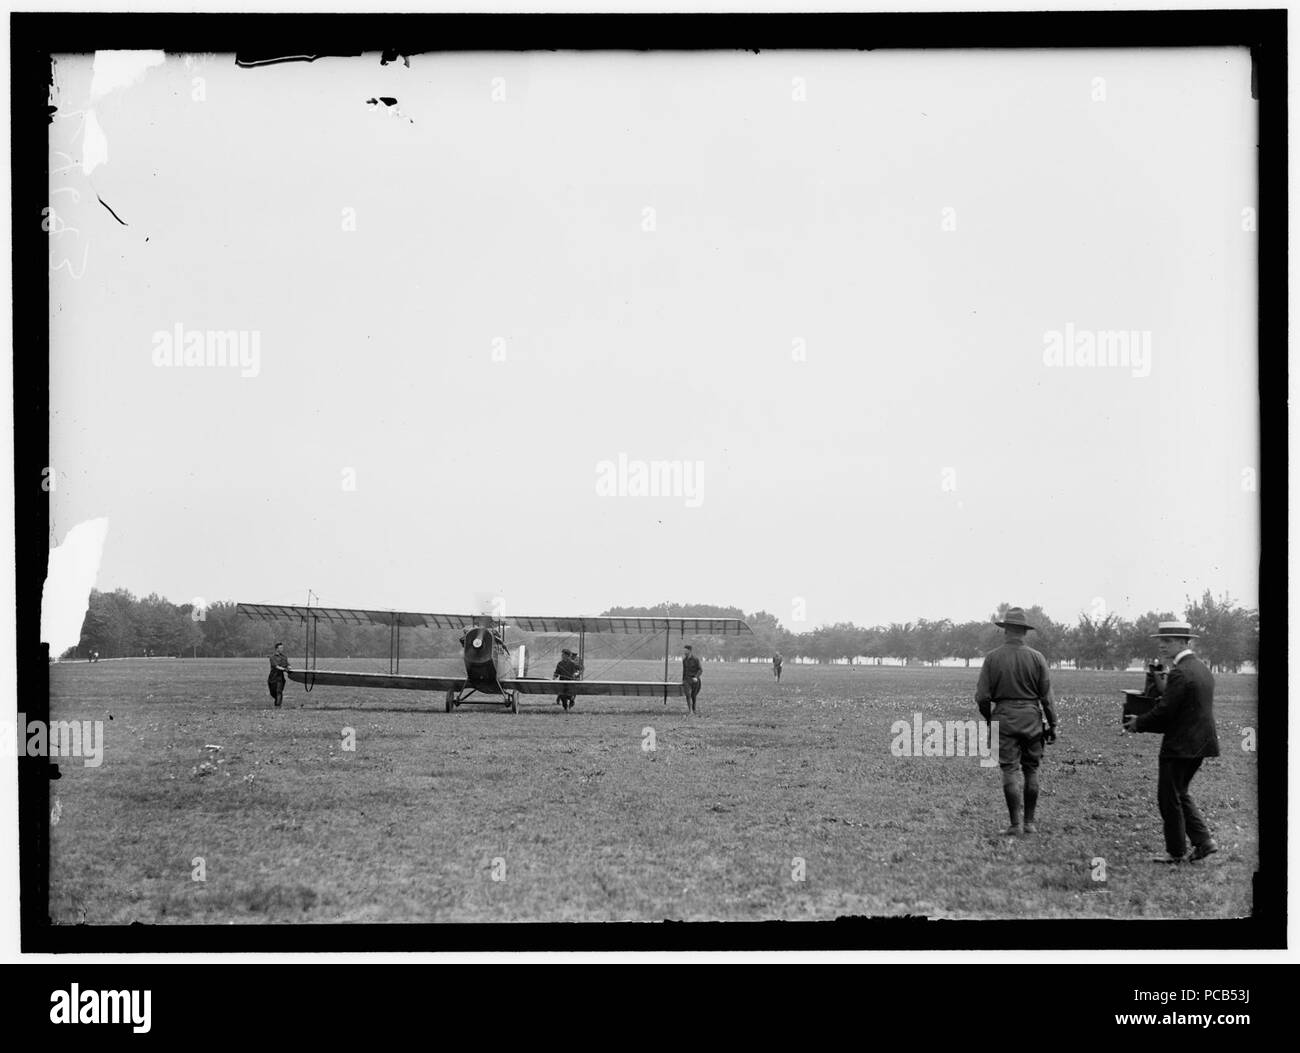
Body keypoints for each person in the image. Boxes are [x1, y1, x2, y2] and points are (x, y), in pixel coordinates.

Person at [1123, 621, 1220, 863]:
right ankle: (1204, 841)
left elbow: (1165, 712)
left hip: (1180, 745)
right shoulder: (1201, 668)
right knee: (1180, 792)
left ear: (1182, 642)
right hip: (1201, 743)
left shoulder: (1179, 672)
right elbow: (1184, 706)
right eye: (1160, 640)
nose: (1161, 645)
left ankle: (1175, 852)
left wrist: (1139, 722)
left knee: (1169, 797)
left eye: (1167, 641)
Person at [974, 607, 1059, 836]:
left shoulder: (992, 658)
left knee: (1009, 770)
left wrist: (990, 718)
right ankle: (1029, 823)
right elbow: (1047, 697)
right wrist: (1053, 724)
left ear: (1005, 631)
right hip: (1032, 718)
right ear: (1024, 632)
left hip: (1004, 717)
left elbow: (982, 697)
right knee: (1031, 770)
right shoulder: (1037, 657)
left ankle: (1014, 824)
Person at [554, 647, 582, 711]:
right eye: (562, 655)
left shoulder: (573, 663)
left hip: (571, 682)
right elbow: (557, 672)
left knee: (568, 694)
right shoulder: (560, 663)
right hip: (562, 681)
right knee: (561, 695)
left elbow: (581, 669)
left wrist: (577, 674)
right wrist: (554, 676)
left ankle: (571, 700)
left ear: (567, 656)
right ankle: (565, 708)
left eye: (563, 655)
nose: (562, 656)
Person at [268, 641, 290, 708]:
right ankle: (277, 701)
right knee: (273, 692)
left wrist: (289, 667)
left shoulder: (284, 657)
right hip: (272, 678)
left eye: (282, 648)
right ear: (276, 649)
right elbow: (276, 666)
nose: (282, 649)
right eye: (280, 648)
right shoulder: (272, 657)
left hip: (280, 678)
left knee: (279, 691)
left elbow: (287, 664)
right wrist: (284, 669)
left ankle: (278, 705)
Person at [682, 644, 703, 714]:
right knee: (688, 694)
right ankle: (690, 710)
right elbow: (684, 670)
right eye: (684, 650)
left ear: (689, 651)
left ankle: (694, 709)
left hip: (694, 680)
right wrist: (683, 679)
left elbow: (700, 670)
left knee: (693, 695)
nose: (684, 652)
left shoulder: (695, 659)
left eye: (686, 650)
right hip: (686, 680)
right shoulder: (684, 660)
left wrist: (696, 677)